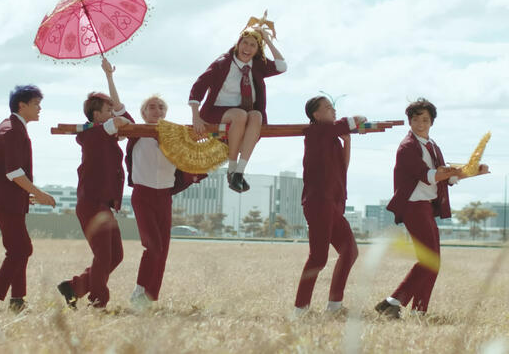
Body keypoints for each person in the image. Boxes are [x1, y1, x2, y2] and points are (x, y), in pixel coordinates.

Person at [375, 98, 489, 319]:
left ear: (432, 122)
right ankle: (392, 303)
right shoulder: (407, 147)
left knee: (433, 262)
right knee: (430, 261)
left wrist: (473, 171)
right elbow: (430, 175)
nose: (420, 124)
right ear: (410, 121)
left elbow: (447, 177)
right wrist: (460, 170)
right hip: (413, 206)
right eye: (416, 119)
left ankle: (418, 311)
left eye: (425, 120)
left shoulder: (433, 146)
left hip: (426, 207)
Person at [56, 57, 132, 310]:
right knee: (103, 255)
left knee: (116, 255)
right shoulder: (92, 134)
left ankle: (75, 287)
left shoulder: (105, 135)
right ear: (97, 115)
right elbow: (122, 121)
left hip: (103, 206)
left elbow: (122, 117)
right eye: (107, 110)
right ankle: (98, 302)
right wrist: (119, 120)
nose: (112, 113)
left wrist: (110, 77)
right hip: (92, 204)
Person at [0, 85, 56, 313]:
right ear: (22, 106)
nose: (40, 108)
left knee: (20, 249)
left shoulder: (11, 127)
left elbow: (12, 173)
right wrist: (39, 194)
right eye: (36, 104)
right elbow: (13, 172)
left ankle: (17, 301)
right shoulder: (12, 130)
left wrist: (25, 194)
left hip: (6, 199)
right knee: (20, 249)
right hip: (4, 201)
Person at [125, 95, 206, 310]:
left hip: (164, 196)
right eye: (151, 107)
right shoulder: (135, 132)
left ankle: (148, 297)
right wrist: (110, 78)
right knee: (153, 246)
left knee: (162, 249)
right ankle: (139, 291)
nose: (157, 110)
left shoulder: (175, 136)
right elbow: (119, 111)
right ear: (143, 113)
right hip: (143, 195)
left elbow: (195, 148)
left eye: (161, 107)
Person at [189, 23, 286, 192]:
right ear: (238, 44)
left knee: (257, 116)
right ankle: (232, 167)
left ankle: (239, 172)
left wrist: (267, 39)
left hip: (245, 114)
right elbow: (199, 86)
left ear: (257, 50)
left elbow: (282, 66)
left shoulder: (258, 64)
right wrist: (195, 116)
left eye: (253, 45)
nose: (247, 48)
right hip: (216, 111)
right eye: (244, 43)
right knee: (240, 115)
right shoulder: (222, 63)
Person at [293, 96, 366, 317]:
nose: (333, 110)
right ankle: (300, 309)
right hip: (319, 203)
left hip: (333, 203)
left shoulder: (331, 136)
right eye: (327, 107)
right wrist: (355, 121)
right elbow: (356, 119)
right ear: (315, 115)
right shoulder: (316, 132)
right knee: (318, 257)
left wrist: (348, 142)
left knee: (350, 251)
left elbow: (343, 166)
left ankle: (334, 305)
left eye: (333, 107)